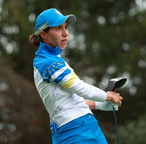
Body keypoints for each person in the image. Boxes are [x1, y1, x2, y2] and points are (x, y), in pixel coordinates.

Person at [29, 8, 123, 144]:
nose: (65, 33)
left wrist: (102, 104)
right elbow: (80, 88)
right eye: (58, 29)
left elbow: (71, 100)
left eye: (66, 27)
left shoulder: (54, 60)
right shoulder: (48, 62)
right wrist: (108, 96)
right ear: (43, 34)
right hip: (73, 132)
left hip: (88, 126)